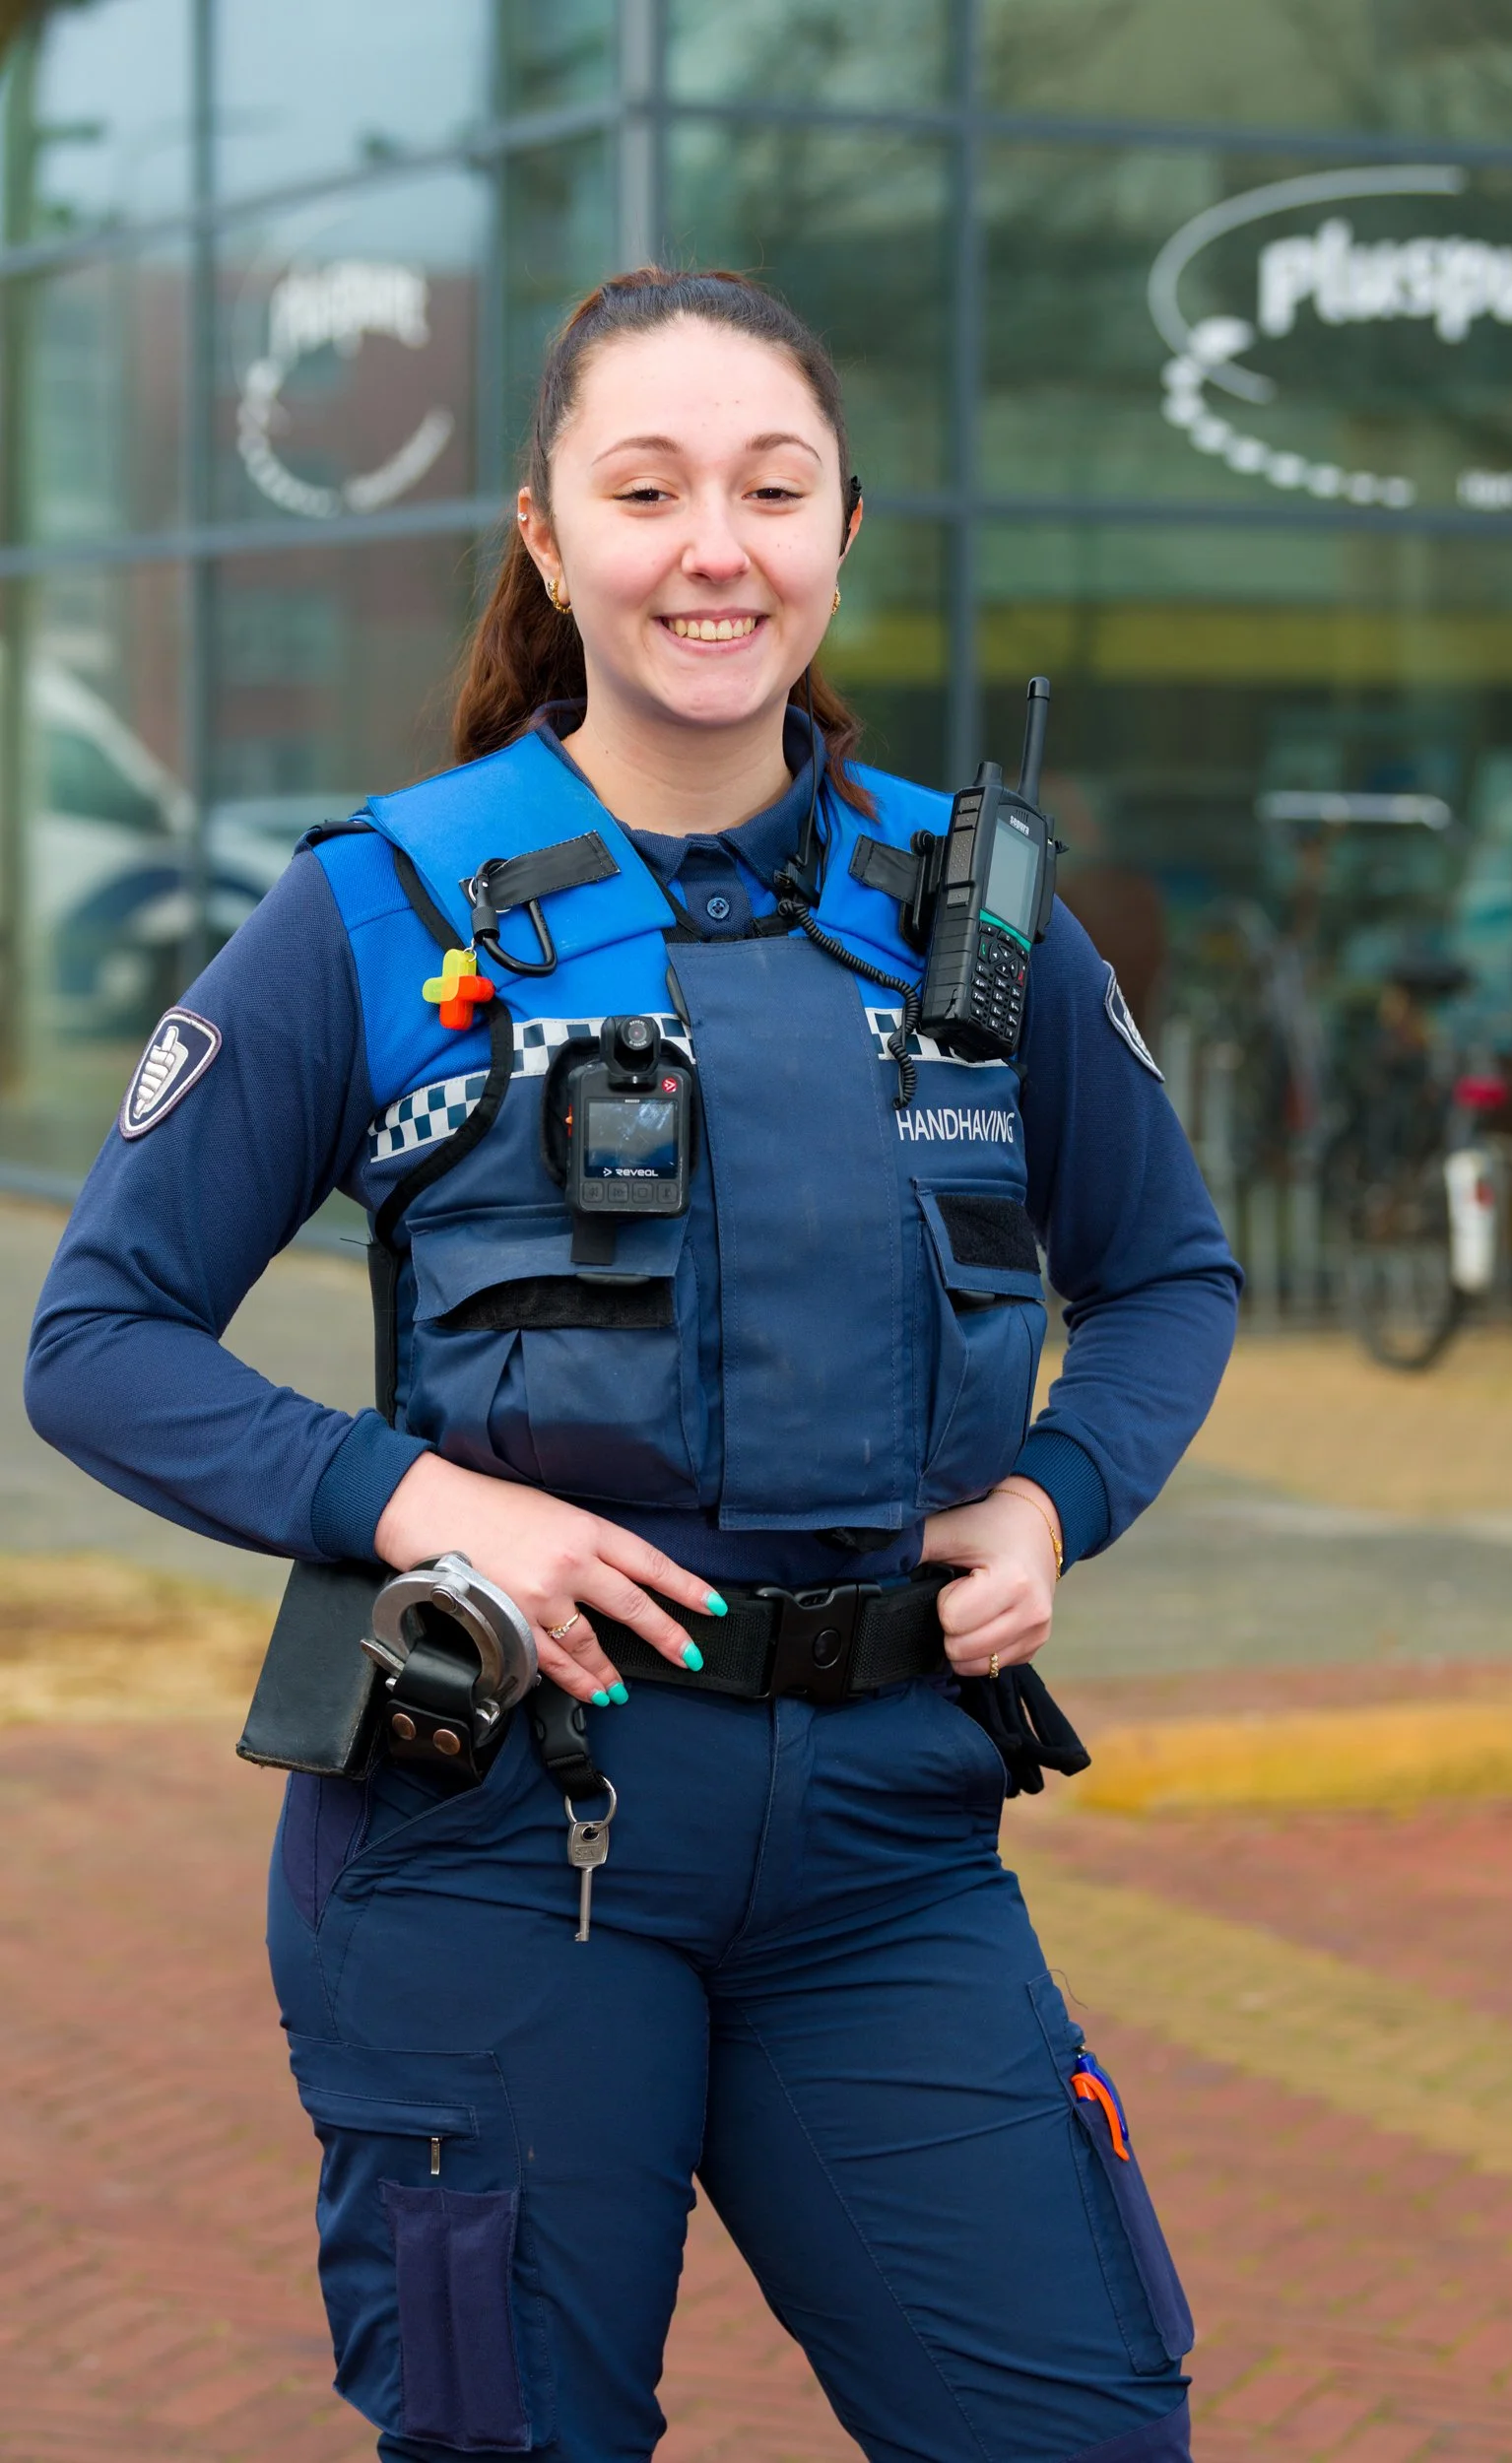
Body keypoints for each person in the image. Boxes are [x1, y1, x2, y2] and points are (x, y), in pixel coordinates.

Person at [27, 267, 1240, 2463]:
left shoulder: (964, 914)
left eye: (770, 489)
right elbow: (97, 1339)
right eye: (648, 486)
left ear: (840, 530)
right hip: (508, 1829)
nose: (715, 545)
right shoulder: (386, 910)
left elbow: (1165, 1273)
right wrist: (418, 1498)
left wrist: (1060, 1493)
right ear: (543, 529)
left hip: (891, 1837)